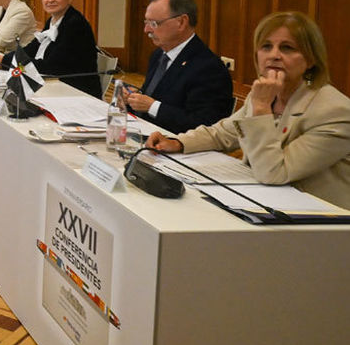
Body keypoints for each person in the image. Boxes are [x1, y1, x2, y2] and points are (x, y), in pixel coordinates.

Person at [148, 12, 350, 208]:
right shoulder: (266, 94)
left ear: (311, 59)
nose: (274, 55)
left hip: (322, 224)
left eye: (287, 48)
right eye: (266, 47)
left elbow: (274, 172)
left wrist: (261, 109)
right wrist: (177, 142)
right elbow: (223, 133)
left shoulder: (334, 111)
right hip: (267, 204)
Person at [123, 0, 234, 134]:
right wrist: (132, 100)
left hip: (180, 147)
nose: (146, 30)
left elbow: (204, 125)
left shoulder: (209, 68)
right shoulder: (158, 55)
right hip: (145, 134)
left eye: (154, 23)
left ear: (181, 22)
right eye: (146, 22)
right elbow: (152, 99)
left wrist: (152, 106)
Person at [1, 0, 101, 97]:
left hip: (75, 91)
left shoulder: (75, 25)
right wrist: (5, 59)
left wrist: (7, 61)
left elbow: (51, 67)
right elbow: (31, 49)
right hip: (53, 83)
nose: (51, 0)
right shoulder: (52, 21)